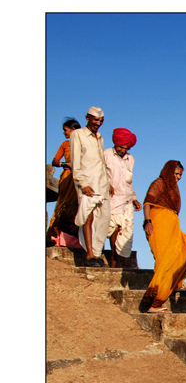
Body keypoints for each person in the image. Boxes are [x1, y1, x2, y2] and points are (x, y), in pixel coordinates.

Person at [140, 161, 186, 313]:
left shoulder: (173, 188)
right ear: (169, 172)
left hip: (172, 226)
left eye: (180, 175)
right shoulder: (159, 183)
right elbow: (147, 202)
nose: (178, 177)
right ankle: (154, 302)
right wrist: (147, 221)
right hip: (158, 223)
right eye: (176, 174)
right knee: (164, 260)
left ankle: (170, 287)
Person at [70, 107, 113, 266]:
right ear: (87, 118)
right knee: (88, 217)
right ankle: (89, 255)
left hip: (102, 183)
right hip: (87, 182)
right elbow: (75, 162)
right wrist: (82, 184)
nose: (98, 123)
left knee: (104, 218)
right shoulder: (78, 135)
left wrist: (108, 183)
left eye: (101, 120)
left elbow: (100, 162)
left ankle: (96, 253)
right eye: (95, 120)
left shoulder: (100, 137)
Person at [103, 128, 141, 268]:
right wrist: (106, 185)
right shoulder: (105, 154)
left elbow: (129, 181)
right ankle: (114, 258)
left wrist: (134, 198)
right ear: (115, 144)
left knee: (127, 230)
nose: (123, 150)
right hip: (111, 198)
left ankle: (125, 260)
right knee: (114, 228)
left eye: (126, 148)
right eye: (120, 147)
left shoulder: (130, 159)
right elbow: (100, 174)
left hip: (126, 199)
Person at [48, 118, 83, 248]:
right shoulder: (65, 144)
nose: (64, 133)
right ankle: (54, 235)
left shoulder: (85, 144)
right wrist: (66, 164)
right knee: (62, 205)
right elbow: (54, 161)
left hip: (82, 178)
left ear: (73, 130)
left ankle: (77, 239)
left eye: (65, 130)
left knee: (79, 207)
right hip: (68, 177)